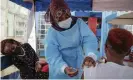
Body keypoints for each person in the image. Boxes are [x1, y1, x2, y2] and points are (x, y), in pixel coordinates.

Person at [44, 0, 98, 79]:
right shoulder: (52, 33)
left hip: (78, 64)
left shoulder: (78, 23)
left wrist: (90, 55)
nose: (65, 20)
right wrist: (64, 68)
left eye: (66, 16)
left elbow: (89, 39)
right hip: (59, 72)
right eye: (61, 19)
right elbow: (52, 55)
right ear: (54, 19)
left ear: (69, 11)